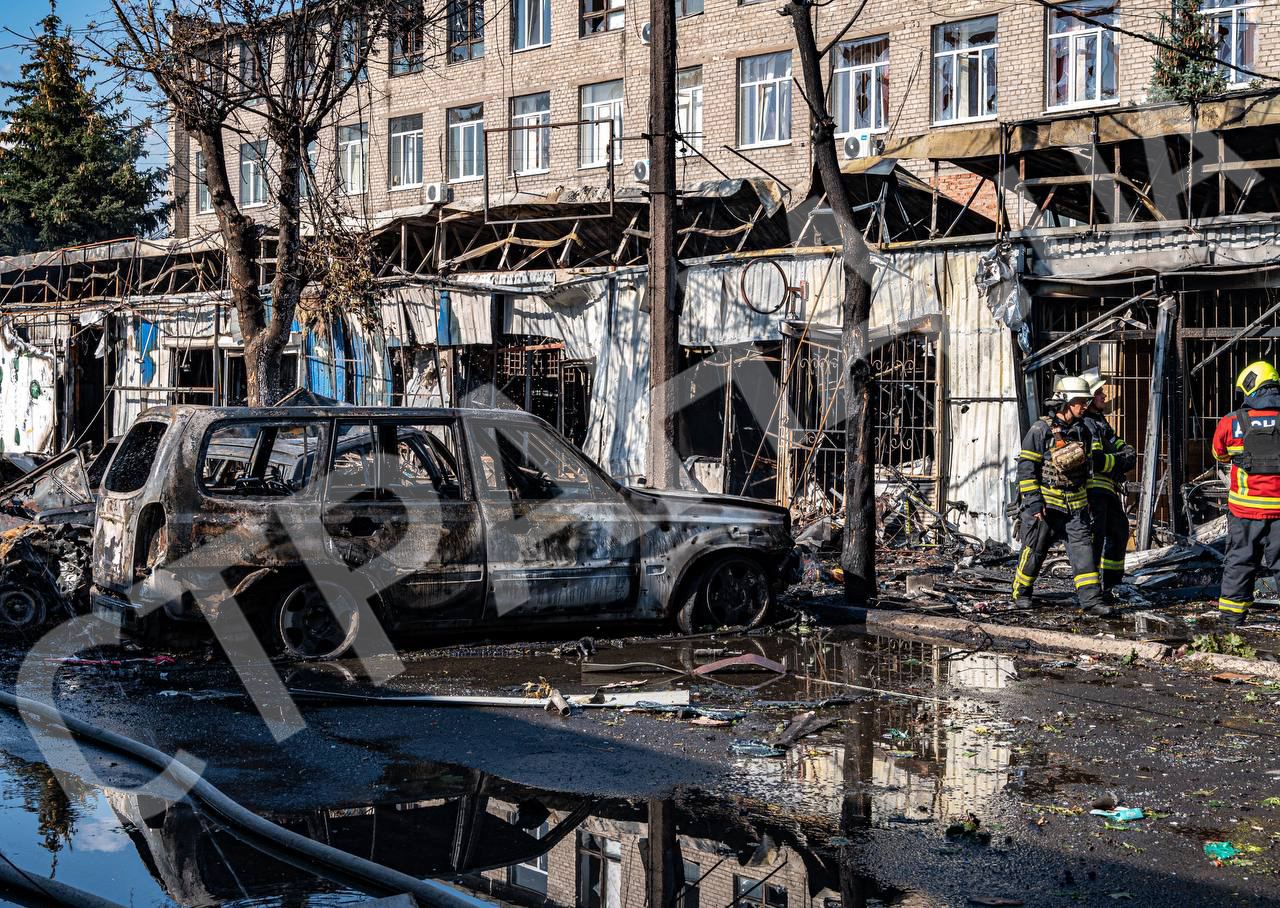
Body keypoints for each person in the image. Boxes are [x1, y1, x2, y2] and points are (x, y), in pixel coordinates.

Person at [1012, 376, 1110, 615]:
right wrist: (1034, 502)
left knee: (1084, 552)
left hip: (1076, 507)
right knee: (1035, 550)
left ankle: (1091, 601)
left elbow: (1088, 468)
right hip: (1047, 507)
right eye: (1080, 401)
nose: (1085, 406)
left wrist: (1089, 500)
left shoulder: (1083, 430)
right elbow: (1026, 468)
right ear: (1066, 402)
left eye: (1086, 401)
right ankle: (1021, 593)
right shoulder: (1040, 430)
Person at [1211, 361, 1280, 628]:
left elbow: (1219, 454)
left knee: (1240, 562)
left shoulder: (1232, 422)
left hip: (1245, 511)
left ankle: (1232, 620)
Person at [1078, 369, 1137, 599]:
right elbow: (1098, 460)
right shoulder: (1086, 424)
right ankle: (1091, 590)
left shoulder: (1099, 421)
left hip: (1106, 489)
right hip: (1092, 490)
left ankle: (1112, 583)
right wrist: (1121, 460)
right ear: (1089, 397)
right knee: (1096, 537)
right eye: (1099, 393)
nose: (1104, 396)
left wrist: (1126, 450)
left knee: (1119, 529)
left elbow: (1114, 442)